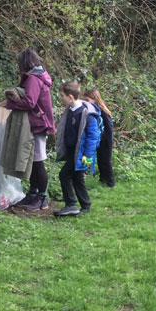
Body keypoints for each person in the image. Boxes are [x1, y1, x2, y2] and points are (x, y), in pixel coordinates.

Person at [0, 48, 55, 210]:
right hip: (37, 122)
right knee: (34, 161)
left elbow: (30, 102)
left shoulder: (33, 79)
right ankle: (32, 194)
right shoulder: (38, 76)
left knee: (38, 162)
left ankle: (42, 198)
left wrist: (9, 104)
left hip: (38, 123)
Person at [54, 81, 101, 217]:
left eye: (62, 95)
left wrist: (88, 155)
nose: (60, 98)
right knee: (77, 178)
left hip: (80, 153)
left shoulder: (87, 113)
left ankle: (71, 205)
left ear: (70, 96)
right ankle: (85, 205)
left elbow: (93, 136)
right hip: (70, 151)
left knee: (65, 175)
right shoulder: (69, 111)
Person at [84, 88, 115, 187]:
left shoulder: (103, 112)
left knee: (106, 161)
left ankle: (110, 182)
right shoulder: (94, 111)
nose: (87, 103)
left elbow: (109, 128)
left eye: (88, 100)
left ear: (94, 99)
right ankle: (102, 180)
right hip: (99, 139)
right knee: (100, 161)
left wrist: (108, 141)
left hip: (106, 140)